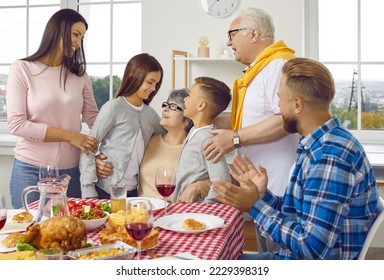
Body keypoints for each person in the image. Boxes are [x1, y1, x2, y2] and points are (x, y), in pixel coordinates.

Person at [212, 57, 379, 260]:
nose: (279, 107)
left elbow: (311, 249)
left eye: (280, 98)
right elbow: (300, 213)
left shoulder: (329, 156)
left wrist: (254, 207)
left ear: (297, 104)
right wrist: (260, 196)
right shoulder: (318, 142)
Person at [203, 7, 298, 252]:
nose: (228, 42)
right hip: (261, 185)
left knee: (280, 255)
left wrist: (234, 138)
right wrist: (201, 119)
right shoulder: (259, 70)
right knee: (268, 252)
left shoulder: (277, 66)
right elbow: (247, 120)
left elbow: (285, 120)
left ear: (253, 34)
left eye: (232, 34)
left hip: (278, 185)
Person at [6, 9, 99, 208]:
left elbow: (93, 118)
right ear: (58, 30)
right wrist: (70, 136)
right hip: (29, 171)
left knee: (68, 235)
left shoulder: (79, 75)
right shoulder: (22, 69)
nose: (79, 42)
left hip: (70, 173)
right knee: (29, 234)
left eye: (82, 37)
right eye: (76, 34)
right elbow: (16, 124)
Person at [96, 89, 211, 203]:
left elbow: (218, 179)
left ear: (187, 120)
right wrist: (98, 161)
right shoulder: (150, 139)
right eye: (166, 105)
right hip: (141, 210)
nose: (165, 109)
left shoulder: (195, 145)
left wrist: (198, 186)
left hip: (174, 211)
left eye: (173, 107)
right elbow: (123, 154)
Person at [80, 53, 165, 199]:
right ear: (133, 76)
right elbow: (88, 147)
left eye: (156, 84)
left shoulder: (151, 115)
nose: (153, 88)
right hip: (104, 191)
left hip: (133, 192)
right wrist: (88, 191)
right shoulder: (114, 108)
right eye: (150, 82)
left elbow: (169, 138)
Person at [173, 77, 232, 204]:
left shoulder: (208, 139)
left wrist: (206, 206)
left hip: (196, 212)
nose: (184, 99)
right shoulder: (194, 131)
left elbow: (222, 181)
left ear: (201, 105)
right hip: (183, 207)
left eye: (188, 95)